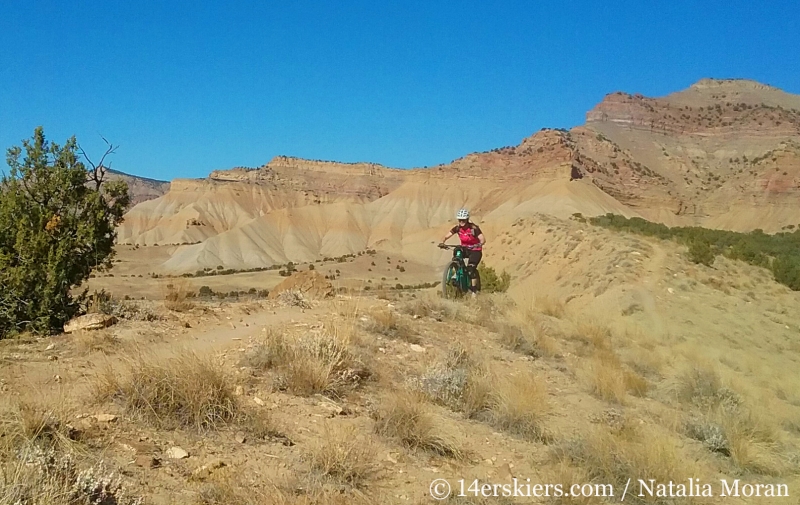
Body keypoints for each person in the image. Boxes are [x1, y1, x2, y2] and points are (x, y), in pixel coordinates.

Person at [439, 208, 486, 297]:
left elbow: (483, 239)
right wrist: (443, 242)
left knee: (471, 269)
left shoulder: (474, 228)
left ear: (467, 220)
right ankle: (456, 268)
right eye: (460, 220)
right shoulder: (457, 228)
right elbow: (447, 235)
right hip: (465, 248)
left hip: (475, 250)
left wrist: (478, 244)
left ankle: (473, 290)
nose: (461, 222)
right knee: (457, 250)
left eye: (463, 220)